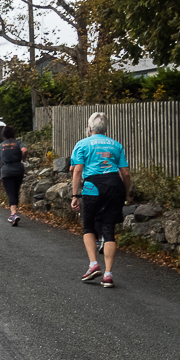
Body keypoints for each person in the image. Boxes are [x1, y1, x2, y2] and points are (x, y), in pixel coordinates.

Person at [69, 111, 130, 288]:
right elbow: (125, 172)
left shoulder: (82, 144)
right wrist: (126, 194)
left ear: (89, 128)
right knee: (109, 229)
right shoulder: (116, 145)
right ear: (105, 129)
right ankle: (109, 275)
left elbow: (77, 170)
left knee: (88, 226)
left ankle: (94, 264)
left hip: (92, 188)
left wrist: (75, 195)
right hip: (115, 187)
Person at [0, 125, 29, 226]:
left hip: (6, 171)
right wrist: (23, 159)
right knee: (15, 190)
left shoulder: (1, 146)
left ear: (4, 135)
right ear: (13, 134)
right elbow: (24, 150)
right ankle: (14, 212)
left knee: (10, 192)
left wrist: (2, 158)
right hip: (18, 170)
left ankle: (13, 214)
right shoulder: (18, 143)